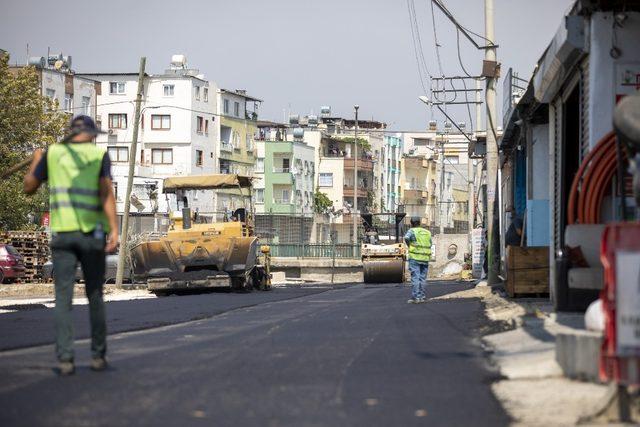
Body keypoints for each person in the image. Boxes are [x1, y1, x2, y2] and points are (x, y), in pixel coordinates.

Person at [23, 115, 118, 376]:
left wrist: (36, 161)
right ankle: (98, 356)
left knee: (63, 299)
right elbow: (106, 193)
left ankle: (65, 359)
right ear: (87, 134)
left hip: (63, 235)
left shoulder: (53, 154)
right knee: (95, 294)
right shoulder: (98, 156)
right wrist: (114, 230)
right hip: (91, 234)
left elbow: (29, 186)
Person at [404, 216, 432, 304]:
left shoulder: (412, 231)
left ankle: (416, 297)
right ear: (419, 223)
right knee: (422, 278)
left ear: (411, 223)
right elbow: (430, 243)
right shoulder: (427, 232)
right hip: (425, 258)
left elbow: (406, 238)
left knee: (415, 278)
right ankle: (422, 297)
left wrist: (410, 245)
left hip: (415, 257)